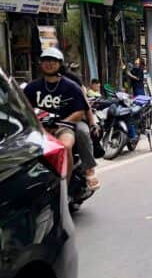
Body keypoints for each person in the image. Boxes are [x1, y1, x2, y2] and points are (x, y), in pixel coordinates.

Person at [25, 48, 100, 188]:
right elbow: (24, 109)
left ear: (60, 64)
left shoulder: (71, 85)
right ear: (40, 63)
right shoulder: (31, 87)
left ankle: (65, 186)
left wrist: (63, 123)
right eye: (45, 61)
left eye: (53, 61)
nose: (49, 64)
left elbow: (80, 110)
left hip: (64, 127)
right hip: (39, 129)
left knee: (65, 146)